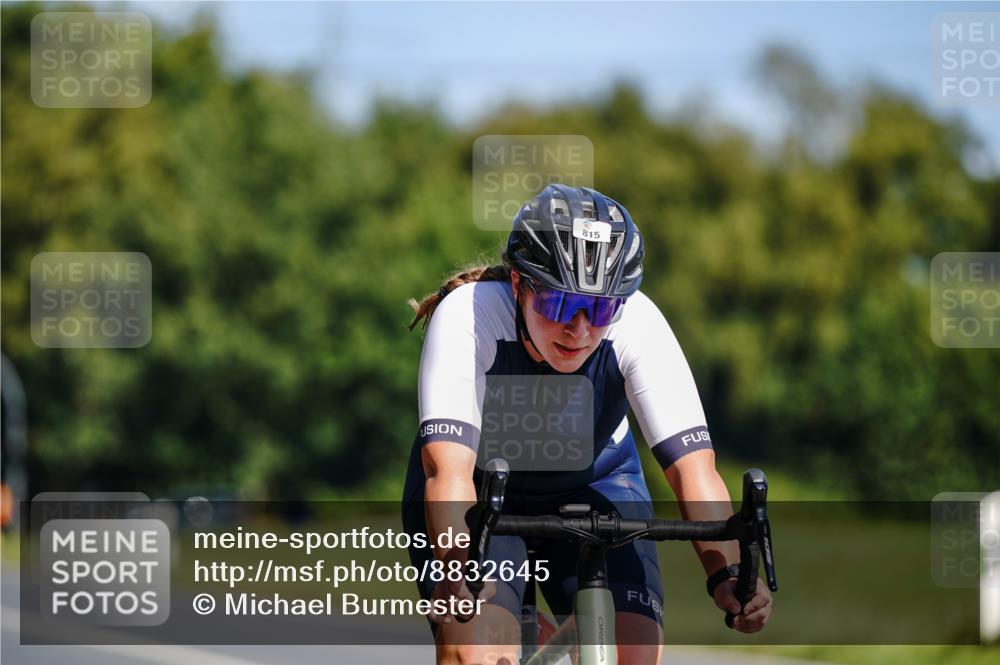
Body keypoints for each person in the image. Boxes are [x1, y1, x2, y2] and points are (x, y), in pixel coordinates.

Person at [402, 184, 772, 665]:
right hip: (478, 494)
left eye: (600, 309)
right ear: (518, 285)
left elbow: (694, 471)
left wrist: (729, 572)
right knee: (475, 650)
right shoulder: (470, 315)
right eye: (558, 304)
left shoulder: (638, 324)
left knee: (632, 653)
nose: (579, 329)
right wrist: (455, 572)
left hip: (596, 484)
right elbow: (447, 473)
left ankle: (552, 638)